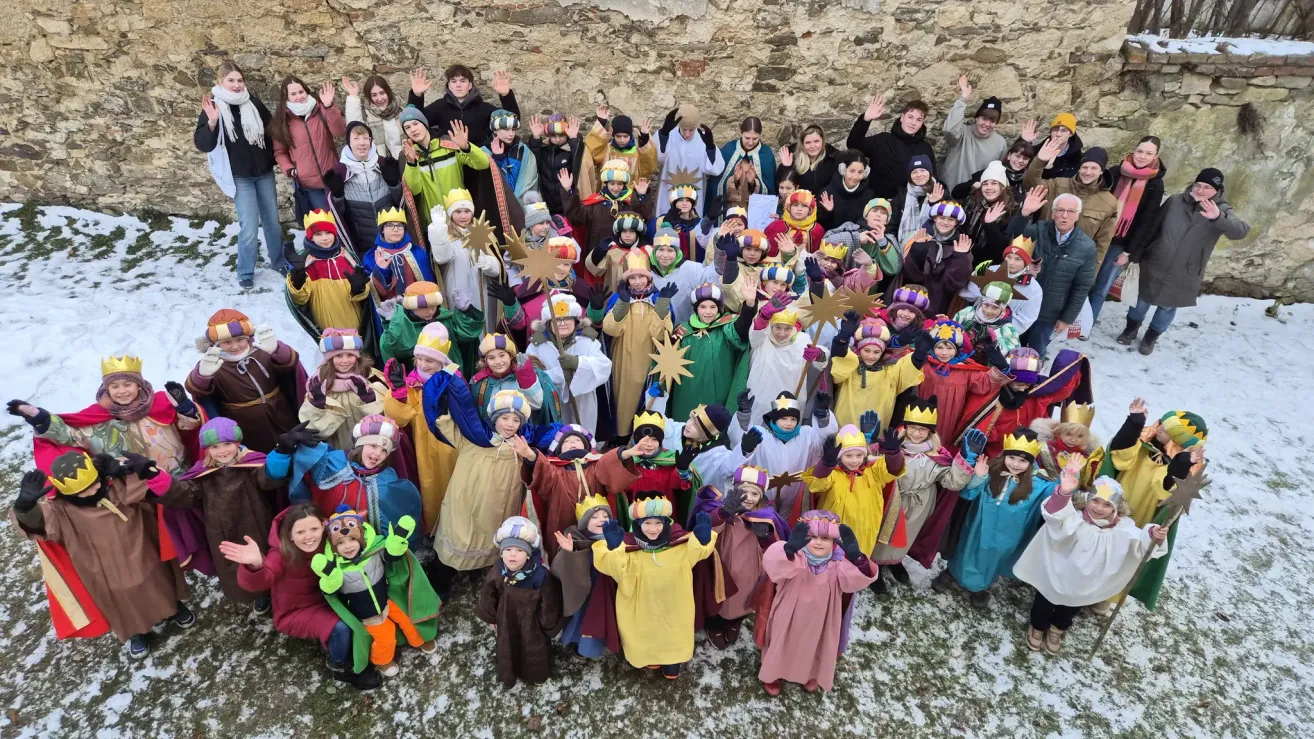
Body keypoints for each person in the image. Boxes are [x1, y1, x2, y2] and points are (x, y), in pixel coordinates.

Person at [11, 451, 192, 658]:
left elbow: (147, 489)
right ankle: (135, 631)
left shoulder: (116, 487)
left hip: (143, 548)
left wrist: (125, 473)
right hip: (103, 568)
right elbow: (38, 524)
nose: (93, 491)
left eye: (94, 484)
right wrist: (25, 508)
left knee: (158, 581)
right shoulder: (61, 511)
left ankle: (172, 608)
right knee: (120, 599)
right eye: (83, 491)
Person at [1012, 466, 1169, 655]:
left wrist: (1153, 535)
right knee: (1045, 600)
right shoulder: (1075, 519)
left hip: (1086, 581)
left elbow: (1140, 543)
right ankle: (1037, 627)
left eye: (1107, 505)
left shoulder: (1122, 528)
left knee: (1071, 606)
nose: (1099, 508)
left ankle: (1057, 629)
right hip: (1058, 572)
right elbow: (1054, 517)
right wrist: (1063, 493)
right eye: (1096, 501)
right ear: (1088, 499)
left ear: (1116, 508)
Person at [223, 503, 382, 689]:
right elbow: (263, 578)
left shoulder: (329, 542)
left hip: (330, 599)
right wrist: (256, 565)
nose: (308, 537)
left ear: (323, 526)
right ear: (290, 534)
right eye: (300, 532)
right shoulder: (281, 553)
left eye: (314, 529)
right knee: (341, 628)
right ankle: (340, 667)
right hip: (296, 611)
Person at [1119, 168, 1250, 354]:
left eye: (1207, 187)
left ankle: (1150, 338)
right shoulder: (1175, 201)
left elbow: (1241, 231)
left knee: (1167, 307)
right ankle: (1130, 328)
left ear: (1217, 190)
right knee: (1140, 300)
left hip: (1185, 270)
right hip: (1156, 261)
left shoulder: (1221, 210)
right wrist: (1137, 255)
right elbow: (1153, 228)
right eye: (1198, 185)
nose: (1201, 190)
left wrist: (1218, 218)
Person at [157, 418, 278, 615]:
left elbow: (268, 480)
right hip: (220, 531)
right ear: (207, 450)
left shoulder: (252, 463)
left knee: (263, 556)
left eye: (228, 444)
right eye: (214, 446)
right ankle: (257, 594)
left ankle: (272, 589)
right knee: (233, 565)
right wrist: (157, 478)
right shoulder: (203, 473)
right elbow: (186, 494)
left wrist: (279, 458)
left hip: (257, 523)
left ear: (237, 443)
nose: (222, 451)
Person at [592, 497, 717, 680]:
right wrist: (614, 548)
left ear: (667, 523)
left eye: (658, 522)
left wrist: (703, 540)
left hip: (674, 604)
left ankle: (672, 662)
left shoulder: (678, 546)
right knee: (644, 635)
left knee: (674, 634)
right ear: (637, 524)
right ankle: (650, 656)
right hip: (641, 606)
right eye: (647, 523)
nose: (653, 528)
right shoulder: (629, 548)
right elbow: (614, 569)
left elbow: (697, 553)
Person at [427, 385, 534, 597]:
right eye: (505, 418)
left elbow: (536, 468)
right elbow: (444, 423)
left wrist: (529, 454)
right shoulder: (473, 438)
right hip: (466, 500)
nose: (510, 425)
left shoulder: (520, 446)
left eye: (516, 420)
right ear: (494, 418)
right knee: (458, 535)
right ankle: (439, 579)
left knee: (490, 534)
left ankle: (487, 571)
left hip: (498, 503)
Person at [755, 511, 877, 695]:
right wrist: (788, 551)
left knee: (814, 645)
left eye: (825, 538)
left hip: (821, 618)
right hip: (788, 614)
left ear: (834, 542)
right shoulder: (795, 558)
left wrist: (858, 560)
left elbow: (857, 581)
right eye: (812, 537)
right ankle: (775, 672)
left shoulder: (838, 565)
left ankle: (810, 673)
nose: (818, 542)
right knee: (782, 641)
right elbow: (774, 565)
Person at [1103, 399, 1207, 611]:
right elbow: (1119, 456)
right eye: (1162, 424)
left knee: (1127, 551)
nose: (1160, 429)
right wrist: (1134, 423)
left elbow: (1166, 488)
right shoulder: (1142, 444)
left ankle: (1107, 595)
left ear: (1179, 441)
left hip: (1143, 513)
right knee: (1104, 543)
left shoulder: (1181, 466)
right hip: (1115, 501)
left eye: (1168, 430)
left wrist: (1182, 463)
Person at [310, 506, 438, 677]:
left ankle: (420, 640)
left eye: (352, 539)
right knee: (386, 638)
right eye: (340, 543)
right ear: (333, 546)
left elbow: (390, 555)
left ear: (361, 537)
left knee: (409, 619)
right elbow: (330, 588)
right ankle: (383, 662)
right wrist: (329, 575)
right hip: (368, 615)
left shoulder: (372, 551)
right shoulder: (337, 568)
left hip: (386, 600)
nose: (348, 546)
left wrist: (396, 541)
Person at [195, 60, 286, 288]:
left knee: (272, 222)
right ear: (220, 82)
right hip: (240, 177)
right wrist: (213, 123)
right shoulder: (213, 107)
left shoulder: (252, 103)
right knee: (249, 226)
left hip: (263, 173)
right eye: (231, 80)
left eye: (239, 80)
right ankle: (245, 271)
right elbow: (203, 144)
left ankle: (279, 260)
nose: (236, 85)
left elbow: (271, 130)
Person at [942, 428, 1058, 606]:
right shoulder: (991, 471)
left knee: (992, 559)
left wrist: (1067, 479)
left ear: (1031, 462)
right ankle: (952, 573)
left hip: (1007, 534)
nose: (1015, 464)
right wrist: (979, 477)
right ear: (1004, 455)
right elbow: (968, 495)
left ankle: (980, 585)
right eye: (1011, 458)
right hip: (977, 526)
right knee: (966, 550)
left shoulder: (1039, 484)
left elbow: (1056, 499)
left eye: (1022, 460)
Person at [871, 399, 973, 592]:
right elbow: (875, 469)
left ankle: (895, 561)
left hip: (920, 502)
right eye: (913, 428)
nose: (917, 433)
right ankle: (875, 566)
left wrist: (964, 462)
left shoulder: (937, 454)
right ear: (906, 426)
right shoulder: (893, 445)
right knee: (884, 533)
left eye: (923, 430)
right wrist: (873, 443)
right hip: (893, 498)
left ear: (931, 432)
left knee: (907, 534)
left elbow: (952, 481)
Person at [1025, 144, 1119, 339]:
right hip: (1043, 255)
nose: (1088, 172)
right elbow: (1031, 182)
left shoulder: (1108, 202)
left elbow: (1102, 244)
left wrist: (1088, 278)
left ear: (1102, 170)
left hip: (1072, 266)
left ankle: (1035, 353)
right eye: (1085, 167)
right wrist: (1040, 161)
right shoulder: (1058, 184)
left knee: (1046, 325)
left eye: (1094, 168)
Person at [689, 465, 788, 648]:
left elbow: (775, 550)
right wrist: (724, 514)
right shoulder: (723, 509)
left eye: (754, 494)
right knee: (717, 597)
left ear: (761, 497)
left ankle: (735, 622)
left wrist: (764, 537)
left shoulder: (765, 517)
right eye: (744, 492)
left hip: (750, 569)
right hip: (721, 565)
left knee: (743, 597)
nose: (749, 498)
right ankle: (714, 624)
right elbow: (707, 528)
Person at [381, 321, 462, 532]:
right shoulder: (412, 384)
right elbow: (399, 418)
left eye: (431, 360)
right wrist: (399, 394)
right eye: (420, 359)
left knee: (456, 486)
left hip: (452, 443)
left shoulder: (454, 379)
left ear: (442, 361)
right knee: (430, 488)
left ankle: (456, 529)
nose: (424, 365)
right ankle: (434, 531)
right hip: (423, 446)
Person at [515, 425, 640, 557]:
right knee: (563, 553)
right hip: (562, 520)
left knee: (599, 555)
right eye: (567, 441)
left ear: (586, 446)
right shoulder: (554, 470)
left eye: (577, 440)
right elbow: (543, 468)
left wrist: (626, 453)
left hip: (597, 522)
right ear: (558, 448)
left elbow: (609, 462)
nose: (572, 442)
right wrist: (529, 454)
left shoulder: (596, 465)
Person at [186, 310, 302, 453]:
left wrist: (278, 350)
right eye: (227, 342)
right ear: (216, 344)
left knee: (291, 448)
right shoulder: (213, 364)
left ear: (249, 338)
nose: (235, 346)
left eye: (240, 339)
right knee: (259, 456)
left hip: (281, 412)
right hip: (245, 423)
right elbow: (197, 390)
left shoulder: (263, 352)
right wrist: (202, 375)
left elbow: (290, 364)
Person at [1009, 188, 1097, 360]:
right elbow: (1013, 239)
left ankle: (1029, 384)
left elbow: (1082, 286)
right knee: (1011, 346)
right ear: (1053, 212)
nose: (1065, 216)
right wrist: (1024, 213)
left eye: (1071, 211)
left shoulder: (1086, 247)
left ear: (1078, 215)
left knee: (1036, 352)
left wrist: (1067, 318)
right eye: (1060, 210)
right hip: (1022, 304)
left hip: (1049, 311)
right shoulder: (1037, 230)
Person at [475, 516, 564, 688]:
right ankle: (511, 671)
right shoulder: (499, 571)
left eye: (519, 550)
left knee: (534, 648)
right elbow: (489, 594)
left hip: (532, 622)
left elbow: (549, 601)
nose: (513, 555)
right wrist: (491, 617)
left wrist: (548, 624)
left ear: (528, 554)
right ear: (501, 552)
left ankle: (537, 673)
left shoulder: (539, 575)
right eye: (508, 550)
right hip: (506, 619)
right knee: (508, 644)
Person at [1088, 136, 1167, 327]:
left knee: (1103, 285)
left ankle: (1086, 324)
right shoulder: (1116, 172)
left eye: (1148, 153)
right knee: (1083, 279)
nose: (1142, 156)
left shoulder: (1155, 183)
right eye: (1140, 151)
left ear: (1156, 156)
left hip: (1121, 243)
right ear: (1134, 150)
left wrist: (1128, 252)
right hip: (1097, 236)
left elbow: (1147, 221)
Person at [729, 391, 837, 523]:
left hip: (795, 499)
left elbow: (825, 441)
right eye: (783, 419)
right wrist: (744, 415)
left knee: (788, 529)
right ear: (774, 419)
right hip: (763, 498)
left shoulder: (806, 435)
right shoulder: (761, 434)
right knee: (765, 527)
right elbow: (739, 438)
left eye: (793, 419)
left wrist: (823, 416)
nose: (788, 423)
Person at [602, 250, 676, 438]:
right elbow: (611, 330)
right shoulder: (619, 298)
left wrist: (662, 306)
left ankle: (643, 434)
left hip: (649, 357)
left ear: (649, 278)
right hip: (623, 357)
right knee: (623, 398)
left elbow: (660, 334)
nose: (637, 281)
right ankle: (620, 437)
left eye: (641, 277)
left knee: (646, 395)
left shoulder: (658, 299)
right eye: (632, 277)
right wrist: (622, 304)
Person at [804, 424, 905, 559]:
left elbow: (893, 469)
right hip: (834, 530)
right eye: (849, 455)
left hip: (866, 527)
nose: (854, 460)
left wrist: (893, 454)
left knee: (859, 560)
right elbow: (818, 482)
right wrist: (826, 464)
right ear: (840, 457)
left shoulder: (874, 471)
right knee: (833, 561)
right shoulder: (834, 474)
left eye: (859, 455)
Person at [524, 291, 613, 434]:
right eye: (557, 320)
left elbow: (604, 367)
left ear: (575, 320)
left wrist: (577, 363)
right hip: (552, 400)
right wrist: (559, 375)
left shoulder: (587, 341)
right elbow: (533, 375)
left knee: (582, 434)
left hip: (582, 399)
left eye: (567, 319)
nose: (563, 323)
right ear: (548, 323)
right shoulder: (537, 345)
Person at [668, 283, 754, 423]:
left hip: (720, 390)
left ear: (719, 308)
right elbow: (667, 360)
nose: (708, 312)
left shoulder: (727, 326)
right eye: (703, 307)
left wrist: (749, 305)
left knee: (714, 425)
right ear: (696, 309)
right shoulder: (682, 331)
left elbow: (742, 330)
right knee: (687, 425)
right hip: (687, 391)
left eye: (713, 307)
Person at [285, 210, 373, 344]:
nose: (325, 238)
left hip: (353, 318)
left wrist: (359, 289)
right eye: (318, 234)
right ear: (310, 237)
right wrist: (298, 277)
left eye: (328, 233)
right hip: (326, 321)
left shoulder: (347, 257)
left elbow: (363, 294)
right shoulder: (306, 262)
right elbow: (300, 300)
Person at [829, 312, 928, 432]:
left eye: (876, 352)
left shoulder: (891, 370)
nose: (871, 356)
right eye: (867, 350)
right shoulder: (852, 366)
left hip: (877, 430)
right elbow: (841, 359)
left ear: (882, 352)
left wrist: (919, 355)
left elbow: (908, 369)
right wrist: (842, 338)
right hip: (844, 427)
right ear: (860, 350)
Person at [398, 106, 491, 232]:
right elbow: (414, 190)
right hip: (436, 222)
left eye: (416, 123)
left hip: (461, 217)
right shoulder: (409, 154)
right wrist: (411, 163)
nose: (413, 129)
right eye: (407, 127)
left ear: (425, 124)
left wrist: (466, 147)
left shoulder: (449, 146)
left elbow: (483, 163)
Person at [916, 318, 1010, 443]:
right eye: (940, 347)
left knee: (940, 440)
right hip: (919, 410)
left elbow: (985, 383)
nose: (944, 353)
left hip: (949, 416)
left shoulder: (965, 369)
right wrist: (917, 355)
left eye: (950, 348)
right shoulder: (924, 363)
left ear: (957, 350)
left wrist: (1002, 367)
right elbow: (904, 371)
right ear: (933, 348)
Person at [552, 494, 621, 658]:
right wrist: (570, 553)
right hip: (587, 594)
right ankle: (583, 647)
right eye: (594, 517)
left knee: (608, 616)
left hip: (609, 591)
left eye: (606, 516)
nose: (601, 519)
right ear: (584, 522)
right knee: (585, 620)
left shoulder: (618, 538)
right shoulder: (576, 540)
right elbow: (560, 570)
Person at [270, 76, 345, 222]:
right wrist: (290, 169)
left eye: (301, 91)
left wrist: (329, 106)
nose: (299, 96)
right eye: (293, 94)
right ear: (286, 97)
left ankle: (345, 245)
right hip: (309, 183)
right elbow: (280, 152)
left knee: (341, 219)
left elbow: (340, 131)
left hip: (332, 177)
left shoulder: (321, 110)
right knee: (324, 222)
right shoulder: (282, 121)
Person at [299, 328, 386, 451]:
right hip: (341, 450)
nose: (345, 361)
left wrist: (370, 399)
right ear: (329, 359)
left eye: (350, 355)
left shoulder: (371, 376)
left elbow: (388, 416)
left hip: (374, 448)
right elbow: (316, 430)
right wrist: (317, 405)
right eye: (339, 356)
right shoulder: (319, 384)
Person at [745, 297, 827, 425]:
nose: (782, 333)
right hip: (759, 402)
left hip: (790, 404)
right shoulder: (762, 339)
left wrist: (818, 355)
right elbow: (756, 332)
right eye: (777, 327)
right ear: (770, 325)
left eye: (787, 328)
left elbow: (822, 359)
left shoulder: (801, 340)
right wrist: (763, 317)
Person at [325, 122, 404, 257]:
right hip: (363, 243)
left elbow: (402, 204)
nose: (362, 143)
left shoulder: (385, 165)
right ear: (349, 143)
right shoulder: (340, 172)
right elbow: (338, 215)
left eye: (365, 138)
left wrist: (393, 185)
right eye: (356, 138)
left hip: (392, 238)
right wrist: (338, 196)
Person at [429, 188, 501, 329]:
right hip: (456, 288)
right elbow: (442, 259)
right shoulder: (446, 236)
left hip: (483, 291)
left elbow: (499, 270)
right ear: (450, 214)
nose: (463, 216)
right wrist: (438, 230)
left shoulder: (484, 233)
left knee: (485, 323)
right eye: (458, 212)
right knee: (463, 326)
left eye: (467, 211)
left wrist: (488, 264)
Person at [379, 280, 483, 376]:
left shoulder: (444, 318)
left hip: (451, 374)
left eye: (433, 306)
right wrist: (393, 323)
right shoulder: (404, 325)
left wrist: (467, 311)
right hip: (421, 379)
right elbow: (395, 348)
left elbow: (466, 335)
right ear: (411, 307)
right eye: (424, 307)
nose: (430, 311)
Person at [846, 94, 936, 200]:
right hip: (879, 205)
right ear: (902, 117)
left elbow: (932, 179)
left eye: (919, 119)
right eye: (910, 117)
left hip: (910, 206)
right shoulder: (882, 140)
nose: (913, 123)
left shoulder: (925, 148)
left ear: (922, 123)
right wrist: (866, 119)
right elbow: (853, 144)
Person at [406, 65, 520, 148]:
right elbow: (414, 121)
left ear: (470, 85)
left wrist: (506, 95)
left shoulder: (484, 108)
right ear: (449, 86)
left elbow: (512, 121)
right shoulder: (440, 106)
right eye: (454, 81)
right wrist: (416, 96)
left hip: (477, 161)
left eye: (463, 81)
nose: (458, 85)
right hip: (449, 161)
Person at [957, 236, 1043, 334]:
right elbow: (968, 295)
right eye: (1009, 257)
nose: (1011, 263)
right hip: (974, 325)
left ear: (1026, 262)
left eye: (1018, 259)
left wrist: (999, 332)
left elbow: (1025, 319)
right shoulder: (990, 270)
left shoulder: (1034, 289)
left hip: (1002, 334)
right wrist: (981, 289)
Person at [901, 202, 974, 316]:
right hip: (913, 299)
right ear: (935, 218)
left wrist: (961, 257)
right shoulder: (921, 237)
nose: (945, 222)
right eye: (942, 218)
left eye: (950, 219)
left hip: (940, 303)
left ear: (956, 223)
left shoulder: (961, 246)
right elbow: (911, 275)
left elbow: (953, 284)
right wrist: (918, 250)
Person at [655, 104, 726, 218]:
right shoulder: (670, 134)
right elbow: (659, 157)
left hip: (694, 190)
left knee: (691, 222)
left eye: (691, 130)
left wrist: (710, 148)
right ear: (679, 126)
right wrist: (664, 134)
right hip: (669, 188)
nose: (687, 134)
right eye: (684, 130)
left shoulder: (703, 139)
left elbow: (714, 169)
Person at [940, 75, 1009, 190]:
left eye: (992, 121)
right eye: (984, 118)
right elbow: (949, 130)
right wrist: (963, 98)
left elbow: (999, 172)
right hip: (951, 191)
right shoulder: (962, 132)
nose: (987, 124)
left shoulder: (1000, 143)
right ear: (976, 118)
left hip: (977, 197)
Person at [362, 208, 434, 313]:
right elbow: (374, 293)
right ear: (382, 229)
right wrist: (382, 270)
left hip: (417, 308)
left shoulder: (417, 252)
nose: (395, 229)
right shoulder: (371, 256)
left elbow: (428, 282)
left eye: (400, 226)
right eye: (390, 225)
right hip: (391, 312)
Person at [580, 104, 658, 199]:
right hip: (605, 198)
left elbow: (648, 168)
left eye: (625, 136)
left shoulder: (637, 153)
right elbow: (592, 150)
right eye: (618, 136)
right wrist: (602, 122)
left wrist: (644, 139)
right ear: (613, 135)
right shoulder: (606, 150)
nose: (622, 140)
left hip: (629, 199)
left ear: (631, 136)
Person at [714, 117, 776, 213]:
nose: (751, 142)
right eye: (747, 138)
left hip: (753, 211)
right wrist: (735, 180)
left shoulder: (766, 154)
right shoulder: (728, 150)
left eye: (755, 138)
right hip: (730, 209)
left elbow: (769, 189)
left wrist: (753, 183)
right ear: (741, 133)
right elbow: (717, 185)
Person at [952, 277, 1026, 357]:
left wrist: (996, 344)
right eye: (986, 305)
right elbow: (951, 333)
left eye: (995, 308)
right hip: (958, 360)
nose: (988, 311)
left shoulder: (1007, 329)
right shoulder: (966, 313)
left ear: (1003, 309)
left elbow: (1011, 356)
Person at [953, 138, 1038, 207]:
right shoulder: (990, 173)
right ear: (1009, 156)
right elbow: (956, 192)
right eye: (1017, 156)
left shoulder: (1026, 181)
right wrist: (973, 185)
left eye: (1025, 159)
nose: (1020, 161)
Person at [959, 160, 1014, 266]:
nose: (989, 187)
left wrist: (990, 224)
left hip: (989, 265)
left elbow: (1000, 248)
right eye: (985, 183)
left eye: (994, 183)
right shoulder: (972, 202)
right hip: (966, 257)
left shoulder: (1010, 210)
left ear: (1002, 187)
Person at [526, 114, 584, 215]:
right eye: (553, 136)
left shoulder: (571, 150)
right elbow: (534, 161)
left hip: (567, 204)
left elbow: (578, 163)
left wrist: (574, 139)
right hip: (547, 204)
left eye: (561, 135)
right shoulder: (544, 149)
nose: (557, 139)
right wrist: (535, 137)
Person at [483, 109, 540, 205]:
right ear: (495, 130)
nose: (511, 134)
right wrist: (498, 159)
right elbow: (487, 185)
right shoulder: (484, 152)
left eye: (513, 129)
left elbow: (529, 181)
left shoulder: (523, 150)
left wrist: (515, 206)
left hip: (521, 209)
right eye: (506, 129)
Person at [343, 75, 404, 160]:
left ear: (388, 92)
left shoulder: (400, 111)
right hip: (380, 164)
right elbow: (354, 127)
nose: (379, 98)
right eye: (374, 95)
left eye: (382, 93)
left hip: (403, 162)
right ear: (369, 97)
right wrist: (353, 97)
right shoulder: (367, 114)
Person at [889, 154, 943, 246]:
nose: (919, 175)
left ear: (930, 172)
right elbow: (893, 224)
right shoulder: (902, 196)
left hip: (932, 245)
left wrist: (934, 203)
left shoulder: (940, 192)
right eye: (914, 172)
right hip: (904, 245)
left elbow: (944, 224)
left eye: (923, 170)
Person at [776, 124, 839, 198]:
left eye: (816, 141)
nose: (812, 146)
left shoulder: (833, 160)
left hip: (824, 207)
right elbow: (782, 190)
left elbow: (837, 188)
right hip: (799, 206)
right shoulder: (792, 160)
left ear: (823, 141)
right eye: (808, 142)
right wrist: (786, 167)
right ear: (802, 144)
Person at [818, 150, 876, 230]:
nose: (855, 177)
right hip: (830, 240)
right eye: (852, 171)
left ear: (865, 173)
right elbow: (820, 225)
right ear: (843, 170)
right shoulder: (827, 193)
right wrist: (827, 212)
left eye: (860, 172)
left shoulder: (869, 195)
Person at [764, 189, 825, 258]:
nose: (799, 209)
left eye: (804, 206)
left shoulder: (817, 230)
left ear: (810, 210)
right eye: (795, 205)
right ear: (789, 208)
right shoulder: (776, 226)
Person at [1034, 113, 1083, 180]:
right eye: (1055, 130)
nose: (1058, 134)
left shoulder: (1078, 157)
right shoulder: (1038, 151)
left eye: (1063, 131)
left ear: (1071, 134)